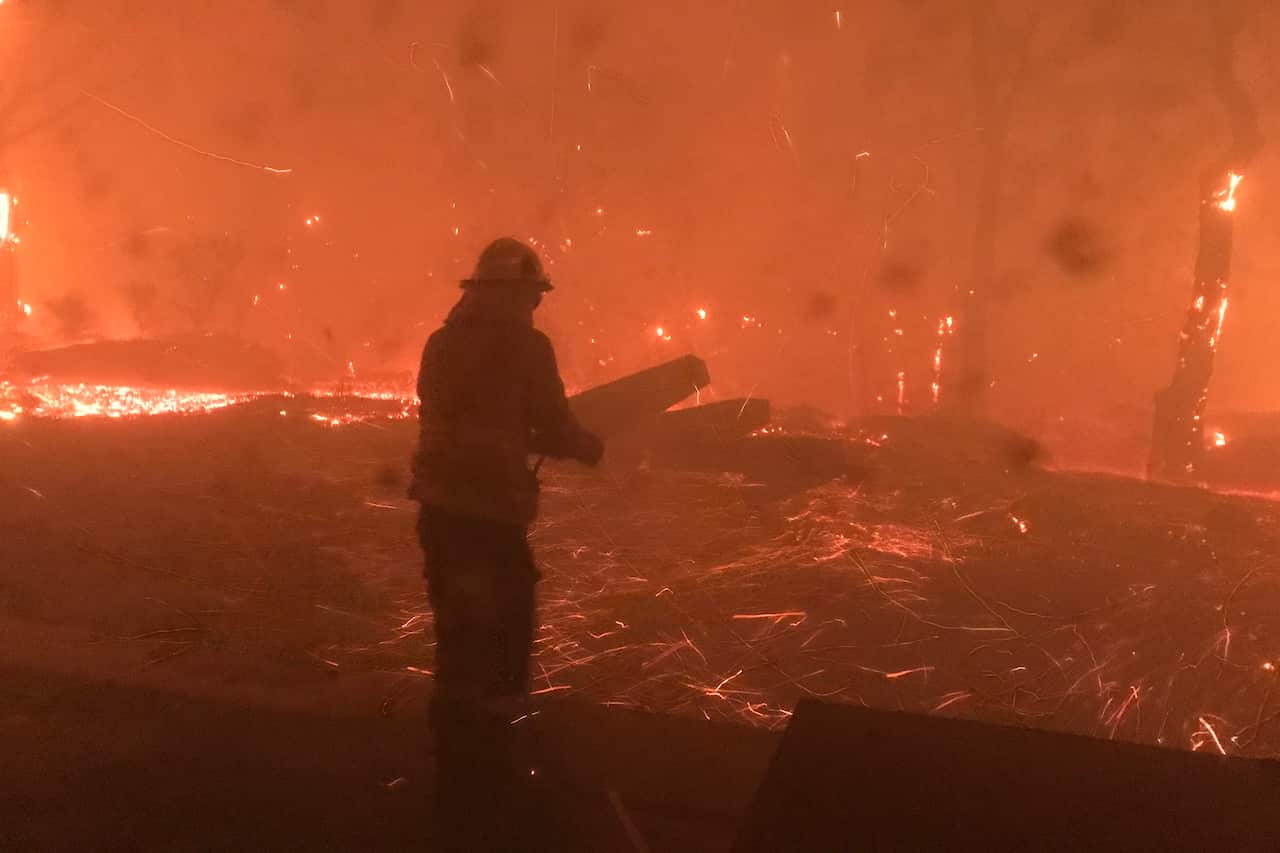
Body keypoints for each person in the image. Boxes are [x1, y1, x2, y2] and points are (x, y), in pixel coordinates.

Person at [409, 237, 604, 851]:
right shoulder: (527, 347)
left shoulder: (440, 344)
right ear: (519, 294)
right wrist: (589, 445)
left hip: (440, 514)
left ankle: (451, 784)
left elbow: (445, 414)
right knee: (504, 643)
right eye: (533, 295)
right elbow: (554, 425)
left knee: (456, 638)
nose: (535, 306)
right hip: (492, 519)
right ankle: (491, 793)